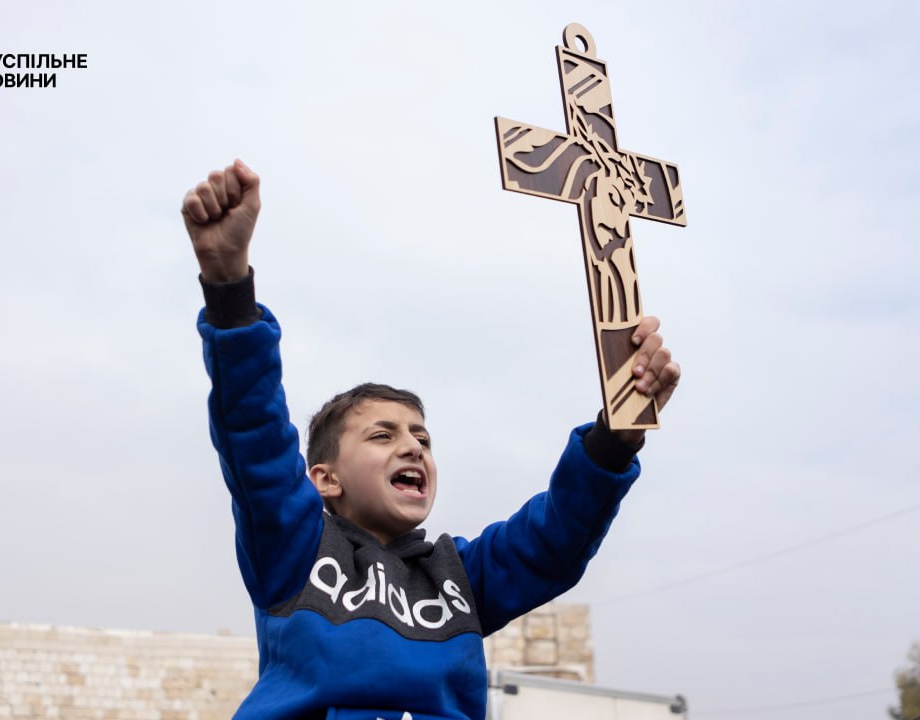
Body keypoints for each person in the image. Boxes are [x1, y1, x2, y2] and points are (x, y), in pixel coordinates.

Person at [183, 159, 680, 720]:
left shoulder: (462, 576)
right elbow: (255, 436)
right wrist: (229, 288)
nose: (413, 446)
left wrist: (616, 436)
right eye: (382, 434)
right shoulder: (293, 549)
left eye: (422, 436)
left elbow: (554, 538)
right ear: (324, 479)